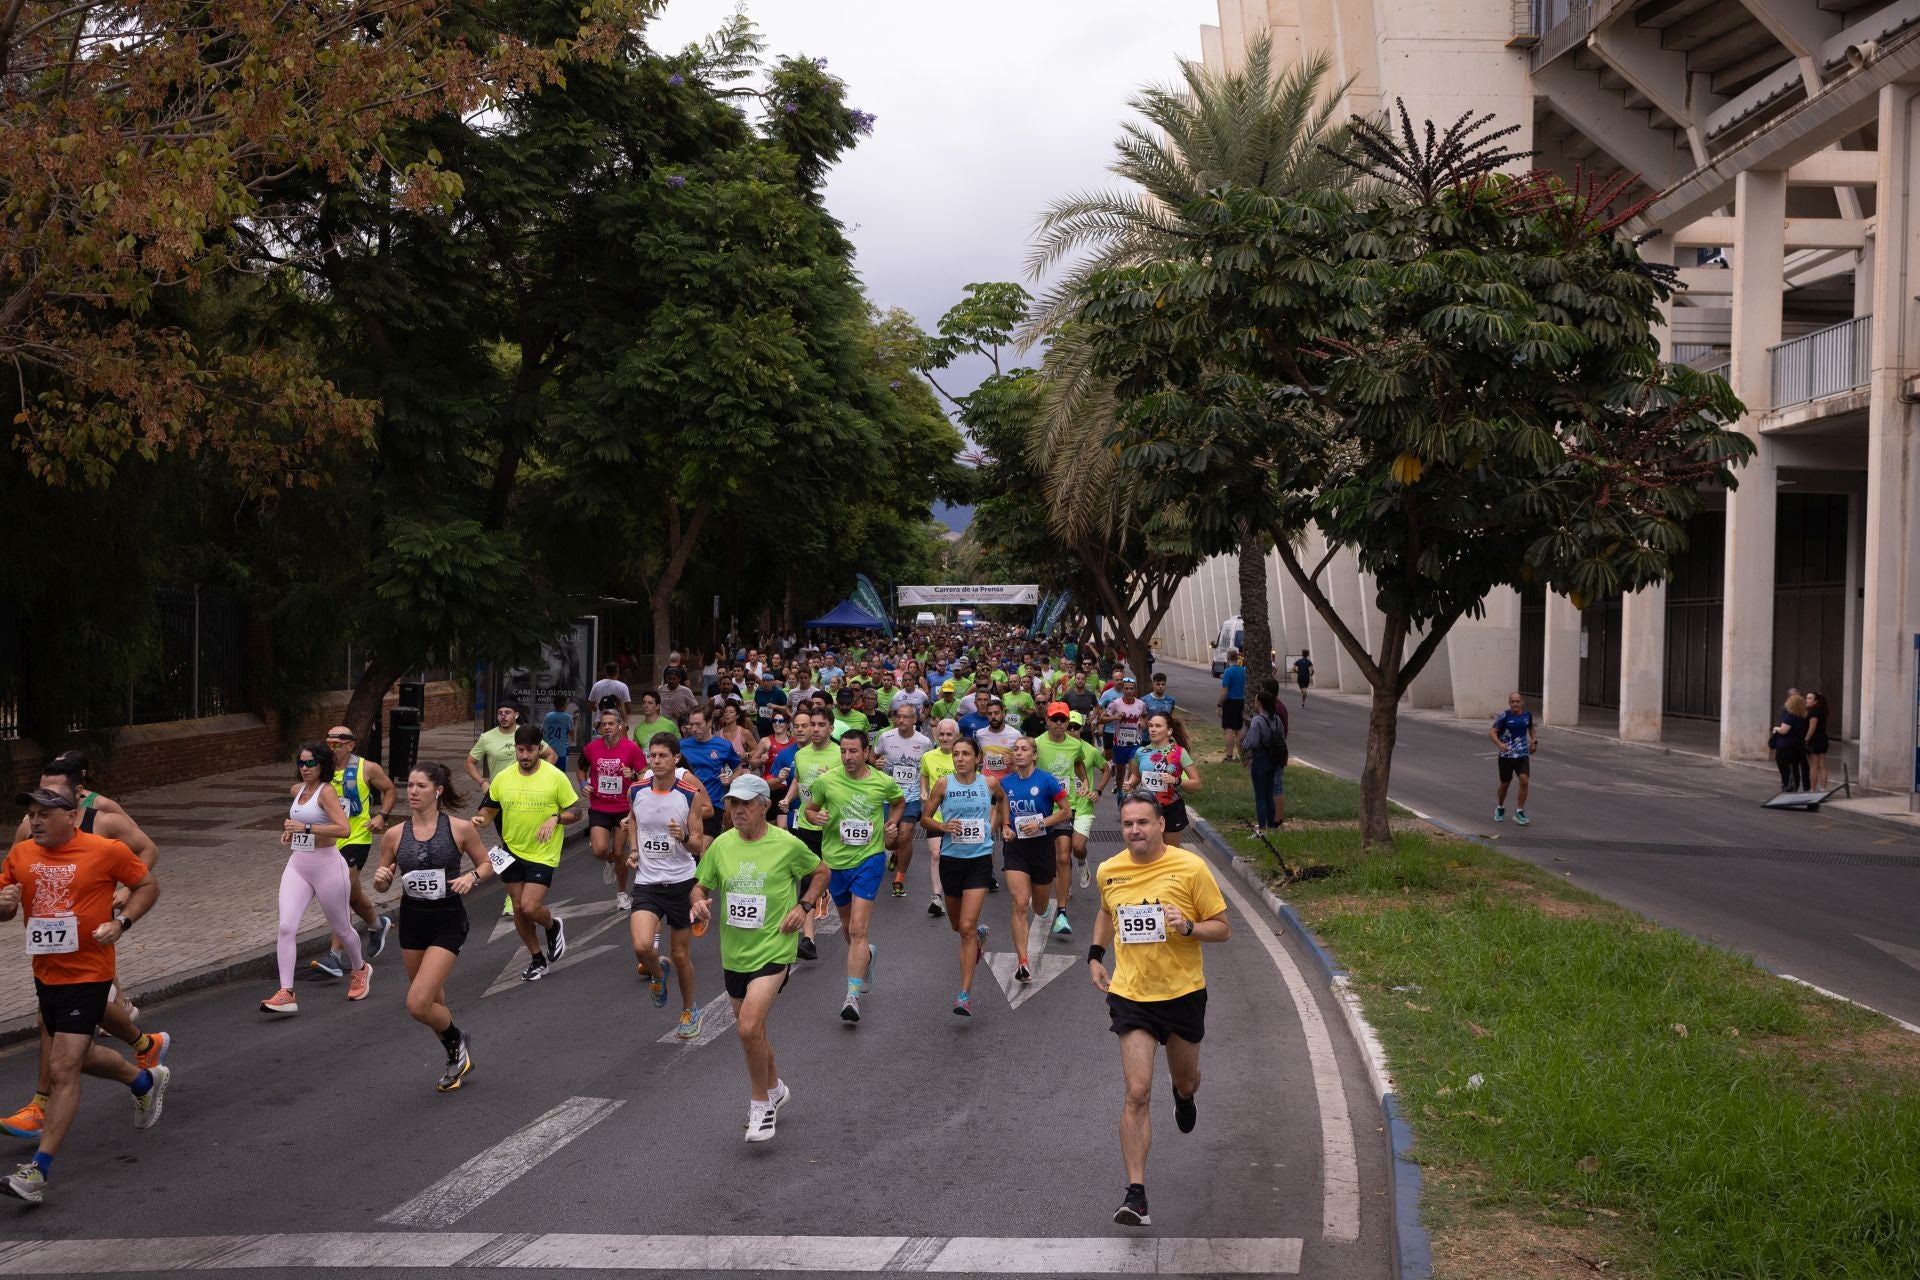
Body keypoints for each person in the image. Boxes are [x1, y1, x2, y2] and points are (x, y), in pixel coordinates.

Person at [0, 787, 167, 1203]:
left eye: (43, 814)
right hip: (47, 973)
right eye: (32, 814)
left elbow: (147, 886)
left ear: (72, 817)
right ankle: (143, 1079)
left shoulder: (105, 850)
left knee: (61, 1068)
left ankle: (37, 1172)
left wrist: (122, 923)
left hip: (90, 973)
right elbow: (4, 905)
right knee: (78, 1056)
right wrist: (3, 905)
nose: (34, 821)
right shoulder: (21, 855)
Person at [1087, 790, 1231, 1228]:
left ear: (1160, 824)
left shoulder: (1190, 868)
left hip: (1183, 993)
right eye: (1128, 823)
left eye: (1143, 823)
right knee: (1136, 1090)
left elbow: (1222, 928)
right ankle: (1137, 1194)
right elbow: (1106, 913)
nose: (1134, 831)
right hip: (1132, 995)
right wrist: (1095, 955)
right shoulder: (1110, 871)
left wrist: (1187, 926)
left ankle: (1183, 1097)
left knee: (1186, 1078)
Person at [690, 774, 830, 1143]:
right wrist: (699, 902)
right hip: (734, 953)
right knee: (754, 1032)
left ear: (764, 806)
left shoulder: (786, 844)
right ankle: (775, 1088)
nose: (738, 811)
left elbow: (820, 871)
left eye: (746, 804)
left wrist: (803, 906)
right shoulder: (721, 845)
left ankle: (760, 1106)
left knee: (749, 1027)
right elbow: (700, 884)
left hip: (774, 947)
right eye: (733, 804)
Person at [370, 762, 493, 1091]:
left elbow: (487, 863)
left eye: (420, 786)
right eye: (409, 785)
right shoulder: (395, 835)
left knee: (417, 1003)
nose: (412, 792)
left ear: (437, 791)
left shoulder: (459, 828)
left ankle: (457, 1041)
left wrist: (472, 876)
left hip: (448, 920)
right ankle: (456, 1054)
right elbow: (383, 880)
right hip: (411, 922)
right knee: (434, 1001)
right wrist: (381, 880)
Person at [802, 729, 905, 1024]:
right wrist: (816, 817)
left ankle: (852, 997)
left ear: (866, 751)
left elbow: (898, 802)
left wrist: (892, 825)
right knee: (848, 927)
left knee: (858, 929)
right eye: (843, 751)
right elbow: (809, 810)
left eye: (853, 751)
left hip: (868, 860)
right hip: (835, 862)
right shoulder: (827, 781)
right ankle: (866, 958)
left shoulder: (882, 781)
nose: (847, 757)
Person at [261, 742, 372, 1013]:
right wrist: (290, 832)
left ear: (322, 764)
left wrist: (306, 827)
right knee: (286, 926)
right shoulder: (298, 791)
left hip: (328, 867)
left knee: (342, 927)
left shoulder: (327, 792)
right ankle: (286, 992)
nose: (304, 768)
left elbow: (344, 829)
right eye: (301, 763)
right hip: (298, 865)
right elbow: (298, 821)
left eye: (310, 763)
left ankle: (360, 969)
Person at [620, 734, 713, 1038]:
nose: (656, 761)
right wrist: (634, 850)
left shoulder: (689, 795)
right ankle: (659, 973)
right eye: (653, 755)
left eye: (662, 755)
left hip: (681, 884)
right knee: (641, 946)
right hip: (647, 882)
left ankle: (689, 1010)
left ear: (676, 759)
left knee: (682, 955)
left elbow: (699, 845)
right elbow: (634, 819)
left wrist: (682, 837)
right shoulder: (636, 790)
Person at [474, 725, 583, 983]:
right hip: (511, 850)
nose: (525, 755)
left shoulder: (555, 777)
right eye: (520, 750)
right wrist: (481, 819)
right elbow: (489, 809)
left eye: (530, 750)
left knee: (530, 906)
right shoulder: (503, 777)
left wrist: (555, 818)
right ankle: (537, 959)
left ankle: (552, 925)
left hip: (542, 853)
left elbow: (577, 812)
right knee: (520, 911)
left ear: (539, 749)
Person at [921, 736, 1003, 1016]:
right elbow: (925, 818)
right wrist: (942, 826)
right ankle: (978, 937)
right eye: (956, 754)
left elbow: (1001, 802)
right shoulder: (943, 784)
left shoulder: (989, 783)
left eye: (966, 754)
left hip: (979, 860)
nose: (960, 759)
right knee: (958, 926)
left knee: (966, 927)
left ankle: (964, 994)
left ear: (977, 758)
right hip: (951, 861)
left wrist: (994, 827)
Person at [311, 725, 394, 981]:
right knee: (353, 896)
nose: (330, 748)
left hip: (356, 838)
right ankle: (378, 925)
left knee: (339, 891)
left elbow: (390, 789)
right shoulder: (320, 769)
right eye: (328, 743)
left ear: (350, 745)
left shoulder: (367, 768)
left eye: (336, 744)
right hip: (327, 841)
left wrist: (382, 815)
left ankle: (334, 956)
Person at [997, 737, 1074, 970]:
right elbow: (1004, 808)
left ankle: (1043, 906)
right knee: (1020, 903)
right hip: (1016, 849)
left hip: (1042, 849)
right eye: (1016, 749)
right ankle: (1023, 961)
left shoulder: (1046, 780)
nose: (1019, 753)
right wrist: (1006, 827)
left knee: (1038, 908)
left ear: (1034, 755)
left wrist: (1041, 823)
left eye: (1024, 749)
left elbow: (1066, 812)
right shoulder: (1006, 782)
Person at [779, 708, 841, 961]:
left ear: (830, 727)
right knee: (807, 879)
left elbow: (852, 786)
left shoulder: (839, 753)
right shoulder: (801, 754)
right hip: (806, 824)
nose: (815, 729)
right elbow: (800, 779)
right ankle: (808, 939)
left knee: (833, 876)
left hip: (832, 827)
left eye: (820, 725)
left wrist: (832, 782)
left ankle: (827, 895)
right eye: (811, 724)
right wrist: (787, 798)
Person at [579, 709, 646, 912]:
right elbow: (581, 768)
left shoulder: (631, 748)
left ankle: (622, 893)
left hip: (624, 808)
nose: (606, 727)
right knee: (599, 850)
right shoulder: (591, 748)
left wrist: (633, 775)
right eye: (603, 724)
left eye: (610, 724)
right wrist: (583, 784)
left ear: (620, 726)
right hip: (599, 805)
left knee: (619, 852)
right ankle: (608, 860)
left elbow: (644, 774)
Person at [1033, 704, 1095, 922]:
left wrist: (1085, 781)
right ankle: (1040, 901)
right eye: (1054, 719)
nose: (1059, 724)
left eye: (1063, 720)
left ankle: (1061, 911)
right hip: (1039, 809)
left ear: (1068, 722)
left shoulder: (1074, 745)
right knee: (1042, 860)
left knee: (1062, 855)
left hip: (1064, 808)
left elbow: (1078, 764)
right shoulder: (1037, 744)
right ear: (1047, 721)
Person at [877, 702, 932, 900]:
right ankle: (896, 852)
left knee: (906, 834)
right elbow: (872, 757)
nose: (901, 720)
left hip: (910, 796)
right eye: (898, 716)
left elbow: (927, 768)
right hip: (887, 797)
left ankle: (899, 878)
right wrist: (875, 763)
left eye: (906, 716)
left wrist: (926, 790)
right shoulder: (886, 737)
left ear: (915, 720)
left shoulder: (924, 742)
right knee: (890, 839)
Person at [1125, 712, 1202, 847]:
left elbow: (1197, 784)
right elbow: (1136, 775)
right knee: (1148, 849)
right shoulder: (1141, 752)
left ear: (1169, 731)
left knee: (1169, 853)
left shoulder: (1179, 752)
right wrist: (1130, 784)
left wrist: (1176, 780)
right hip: (1148, 807)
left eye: (1158, 726)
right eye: (1151, 726)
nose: (1153, 729)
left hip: (1171, 808)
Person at [679, 709, 744, 840]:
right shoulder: (681, 746)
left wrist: (730, 779)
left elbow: (738, 769)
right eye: (691, 725)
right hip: (686, 804)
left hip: (713, 804)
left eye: (698, 724)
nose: (694, 728)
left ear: (709, 723)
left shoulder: (724, 746)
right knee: (689, 850)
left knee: (703, 849)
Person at [466, 702, 555, 791]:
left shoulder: (526, 733)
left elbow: (552, 755)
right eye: (500, 713)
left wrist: (540, 775)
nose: (503, 716)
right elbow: (469, 763)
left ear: (516, 715)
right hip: (498, 790)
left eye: (507, 713)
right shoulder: (486, 737)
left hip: (525, 789)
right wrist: (483, 783)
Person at [1243, 690, 1290, 834]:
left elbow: (1252, 741)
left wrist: (1244, 743)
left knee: (1260, 795)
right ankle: (1271, 825)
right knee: (1270, 792)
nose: (1255, 703)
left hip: (1261, 758)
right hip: (1274, 759)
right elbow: (1282, 737)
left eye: (1256, 701)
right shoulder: (1276, 719)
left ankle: (1262, 828)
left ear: (1260, 703)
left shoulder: (1258, 720)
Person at [1490, 692, 1537, 825]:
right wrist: (1499, 745)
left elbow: (1531, 728)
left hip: (1522, 754)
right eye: (1512, 701)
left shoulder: (1527, 715)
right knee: (1505, 784)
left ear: (1522, 702)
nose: (1515, 704)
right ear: (1509, 703)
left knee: (1524, 781)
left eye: (1517, 701)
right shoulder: (1504, 716)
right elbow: (1492, 732)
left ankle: (1519, 812)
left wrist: (1534, 741)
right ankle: (1500, 807)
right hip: (1506, 755)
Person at [1772, 691, 1810, 793]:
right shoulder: (1803, 717)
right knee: (1795, 768)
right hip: (1798, 746)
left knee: (1785, 769)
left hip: (1786, 747)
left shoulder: (1790, 717)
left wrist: (1776, 728)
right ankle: (1794, 787)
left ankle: (1787, 787)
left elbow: (1784, 730)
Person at [1216, 651, 1247, 763]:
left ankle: (1229, 756)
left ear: (1228, 658)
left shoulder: (1228, 671)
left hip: (1230, 702)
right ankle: (1241, 755)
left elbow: (1224, 691)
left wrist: (1219, 705)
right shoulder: (1242, 671)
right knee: (1238, 729)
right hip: (1240, 701)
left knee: (1229, 729)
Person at [627, 690, 680, 755]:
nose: (646, 705)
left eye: (650, 703)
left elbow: (679, 747)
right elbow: (635, 753)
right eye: (644, 702)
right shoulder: (638, 729)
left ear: (657, 706)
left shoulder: (669, 725)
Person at [1804, 691, 1831, 792]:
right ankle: (1823, 788)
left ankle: (1813, 789)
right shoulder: (1821, 711)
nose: (1807, 700)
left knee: (1814, 766)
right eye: (1807, 698)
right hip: (1823, 740)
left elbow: (1812, 727)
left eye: (1810, 698)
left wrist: (1806, 739)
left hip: (1815, 741)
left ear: (1816, 701)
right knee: (1822, 765)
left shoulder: (1814, 712)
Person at [541, 697, 576, 773]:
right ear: (564, 705)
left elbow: (543, 730)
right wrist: (571, 741)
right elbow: (571, 732)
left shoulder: (548, 716)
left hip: (549, 749)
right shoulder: (567, 717)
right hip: (562, 750)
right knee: (561, 772)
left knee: (549, 771)